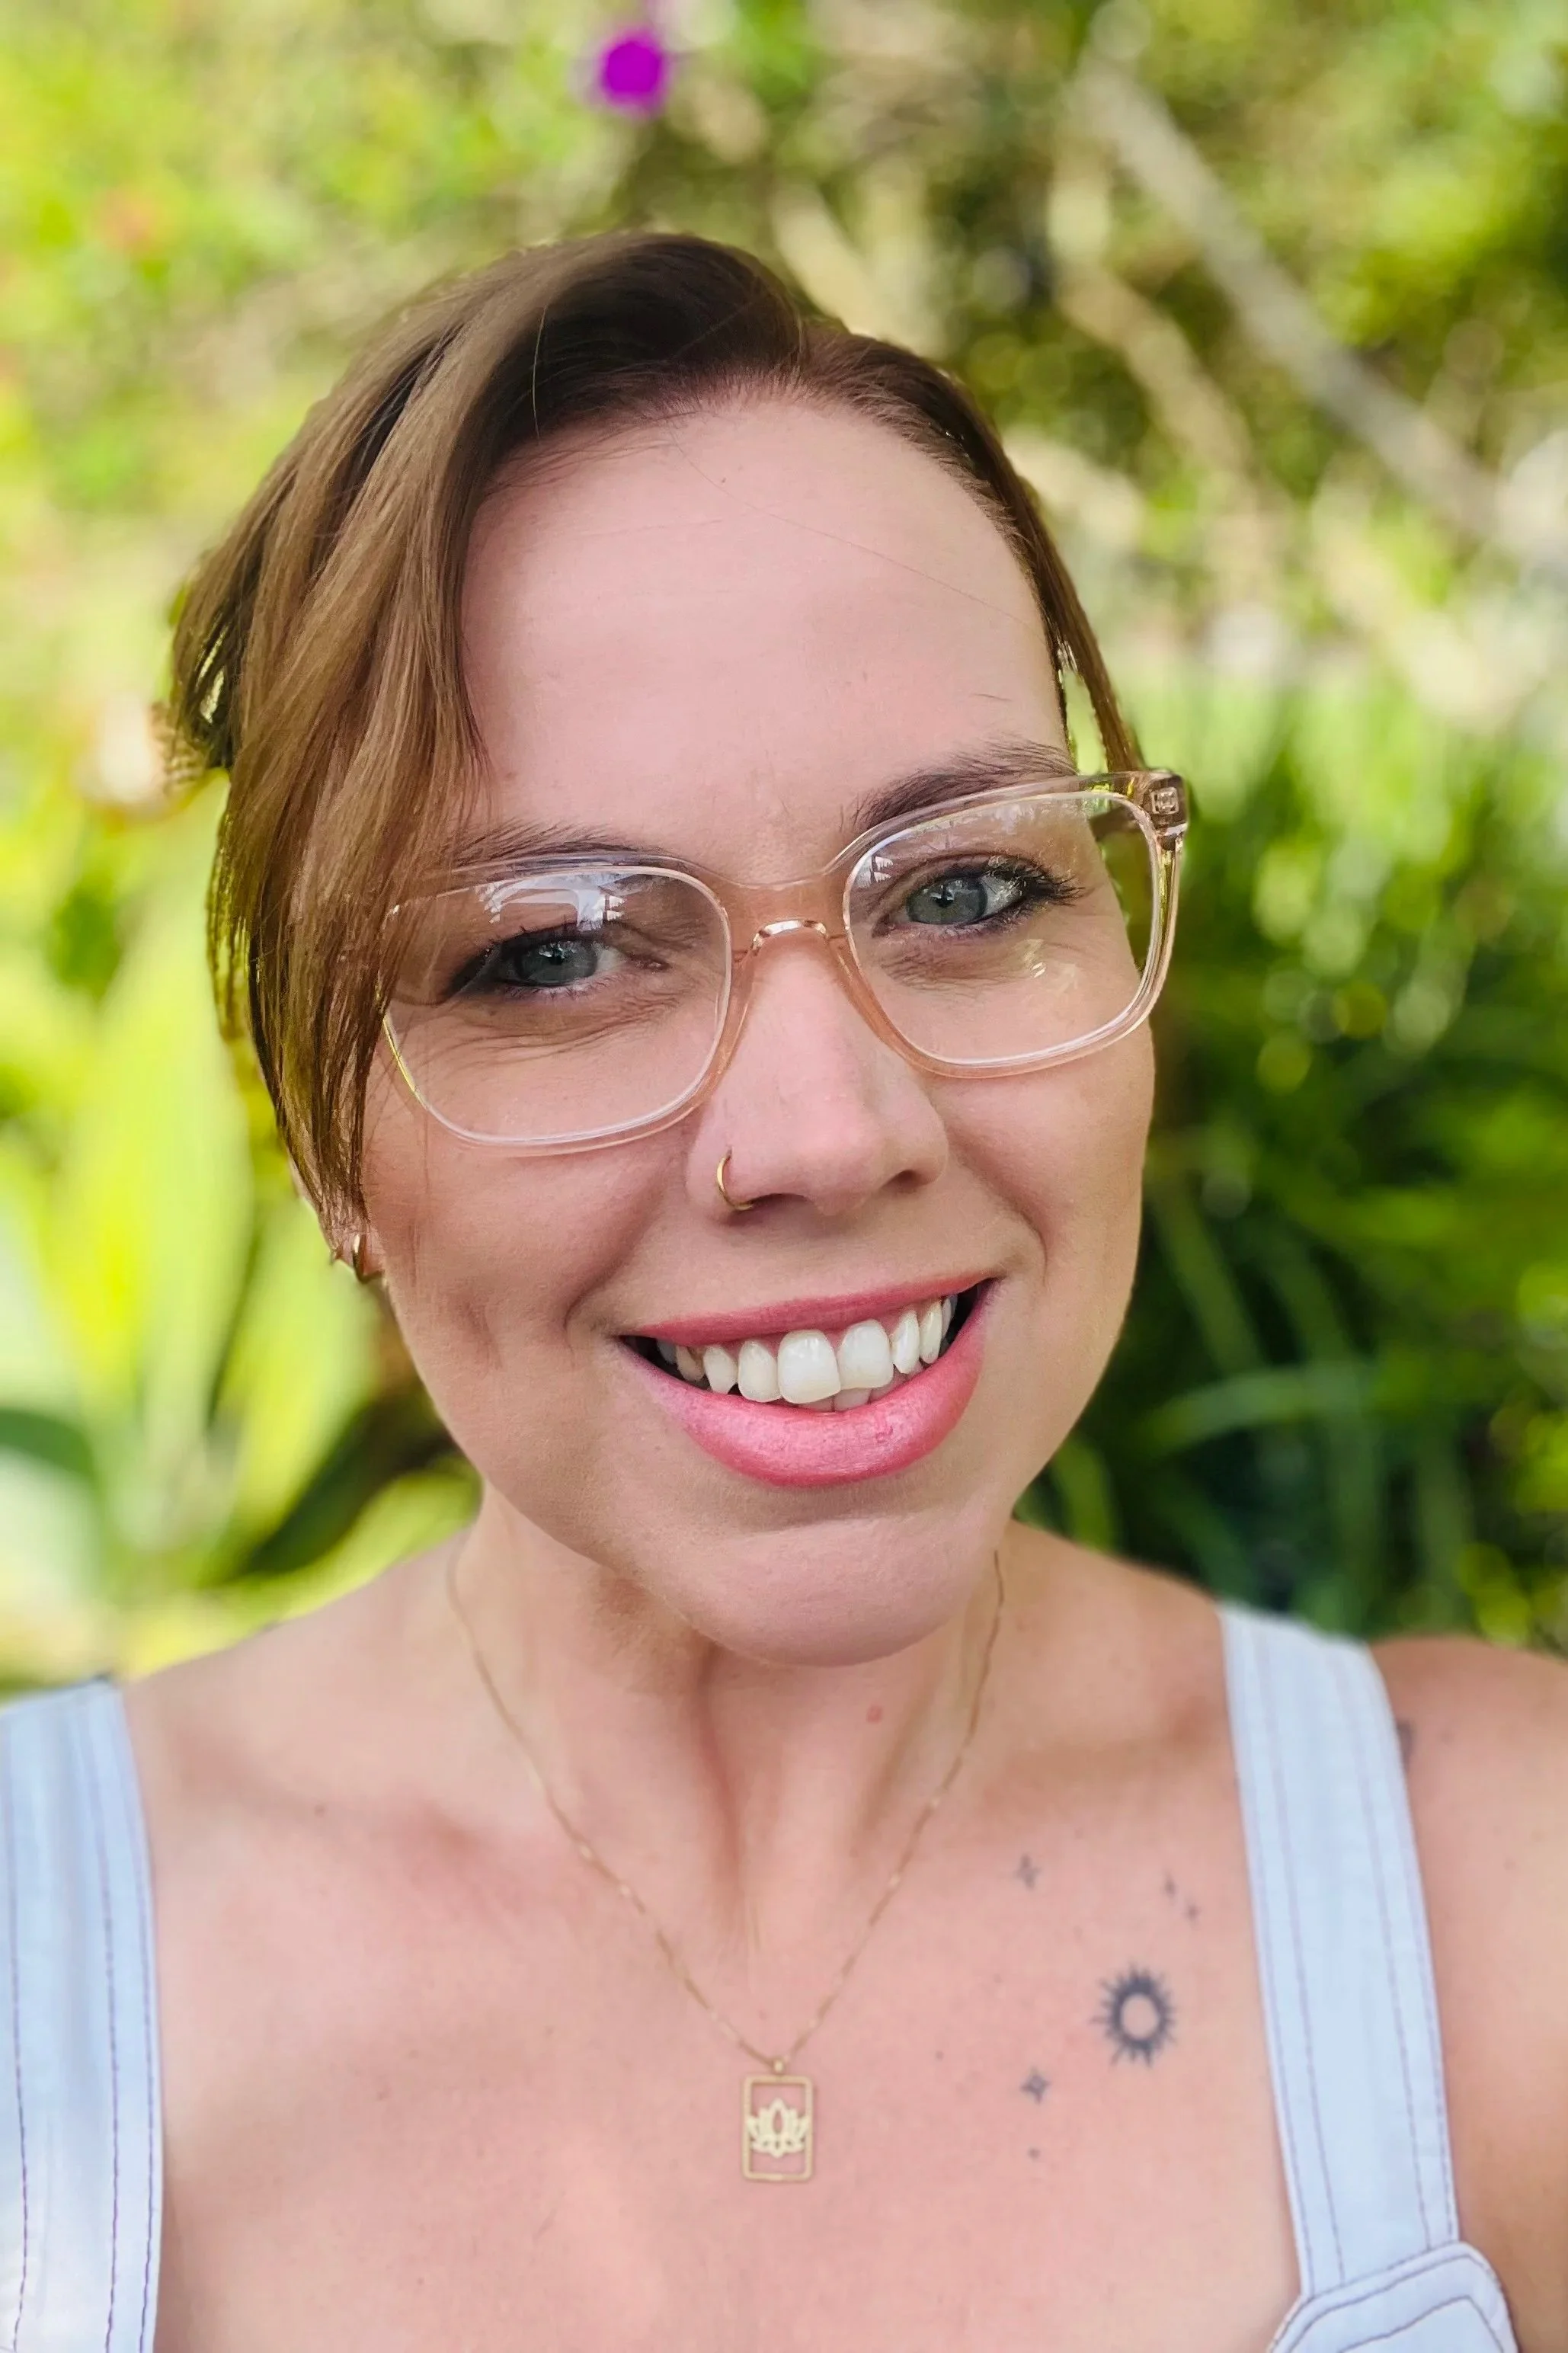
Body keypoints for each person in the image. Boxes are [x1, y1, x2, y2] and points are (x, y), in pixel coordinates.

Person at [2, 232, 1564, 2353]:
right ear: (316, 1125)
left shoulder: (1503, 1915)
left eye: (970, 886)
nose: (825, 1133)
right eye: (553, 948)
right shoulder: (46, 2027)